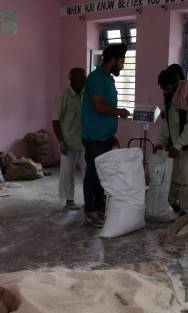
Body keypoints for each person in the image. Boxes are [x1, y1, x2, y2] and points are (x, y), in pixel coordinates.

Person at [80, 43, 130, 227]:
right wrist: (119, 112)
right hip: (93, 137)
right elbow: (99, 106)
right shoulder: (96, 78)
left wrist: (111, 134)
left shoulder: (109, 79)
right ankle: (90, 211)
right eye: (122, 61)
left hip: (104, 136)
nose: (123, 65)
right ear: (113, 60)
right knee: (93, 174)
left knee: (103, 175)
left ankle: (101, 209)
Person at [157, 68, 188, 213]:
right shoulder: (169, 96)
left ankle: (187, 212)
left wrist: (178, 145)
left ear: (174, 84)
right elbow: (168, 122)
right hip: (177, 143)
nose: (165, 92)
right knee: (175, 174)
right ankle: (174, 206)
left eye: (167, 88)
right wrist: (161, 143)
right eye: (163, 89)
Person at [52, 67, 87, 210]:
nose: (84, 81)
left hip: (84, 140)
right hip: (68, 141)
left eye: (84, 78)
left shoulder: (85, 95)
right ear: (72, 80)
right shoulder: (63, 96)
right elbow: (55, 120)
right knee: (67, 173)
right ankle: (69, 201)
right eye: (81, 79)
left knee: (89, 172)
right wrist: (61, 141)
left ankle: (89, 200)